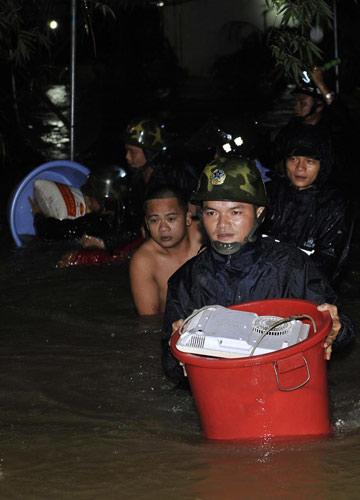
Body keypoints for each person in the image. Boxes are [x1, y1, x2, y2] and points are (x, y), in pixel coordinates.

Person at [161, 156, 355, 382]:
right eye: (212, 212)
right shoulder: (185, 280)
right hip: (220, 394)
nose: (222, 225)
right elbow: (171, 368)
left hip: (282, 388)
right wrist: (178, 350)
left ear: (259, 213)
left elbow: (345, 332)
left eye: (235, 212)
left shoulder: (292, 266)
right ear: (201, 217)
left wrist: (335, 329)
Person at [263, 133, 352, 282]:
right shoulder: (269, 193)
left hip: (308, 287)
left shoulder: (334, 205)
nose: (300, 168)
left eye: (309, 161)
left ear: (322, 165)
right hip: (262, 278)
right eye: (293, 159)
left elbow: (328, 261)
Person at [270, 66, 355, 188]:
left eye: (303, 103)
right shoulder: (290, 130)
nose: (296, 107)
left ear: (319, 106)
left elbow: (344, 120)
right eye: (296, 102)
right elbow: (273, 159)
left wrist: (321, 85)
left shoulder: (332, 131)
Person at [129, 185, 202, 315]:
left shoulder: (206, 237)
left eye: (171, 219)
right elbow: (149, 321)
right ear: (147, 224)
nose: (163, 228)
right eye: (154, 220)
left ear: (187, 218)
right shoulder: (144, 261)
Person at [29, 165, 135, 251]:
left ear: (104, 202)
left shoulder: (92, 224)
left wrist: (38, 214)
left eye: (92, 199)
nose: (88, 203)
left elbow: (50, 232)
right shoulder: (133, 216)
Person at [124, 117, 199, 198]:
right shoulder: (135, 179)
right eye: (127, 151)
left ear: (149, 152)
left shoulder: (179, 175)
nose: (127, 156)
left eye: (133, 152)